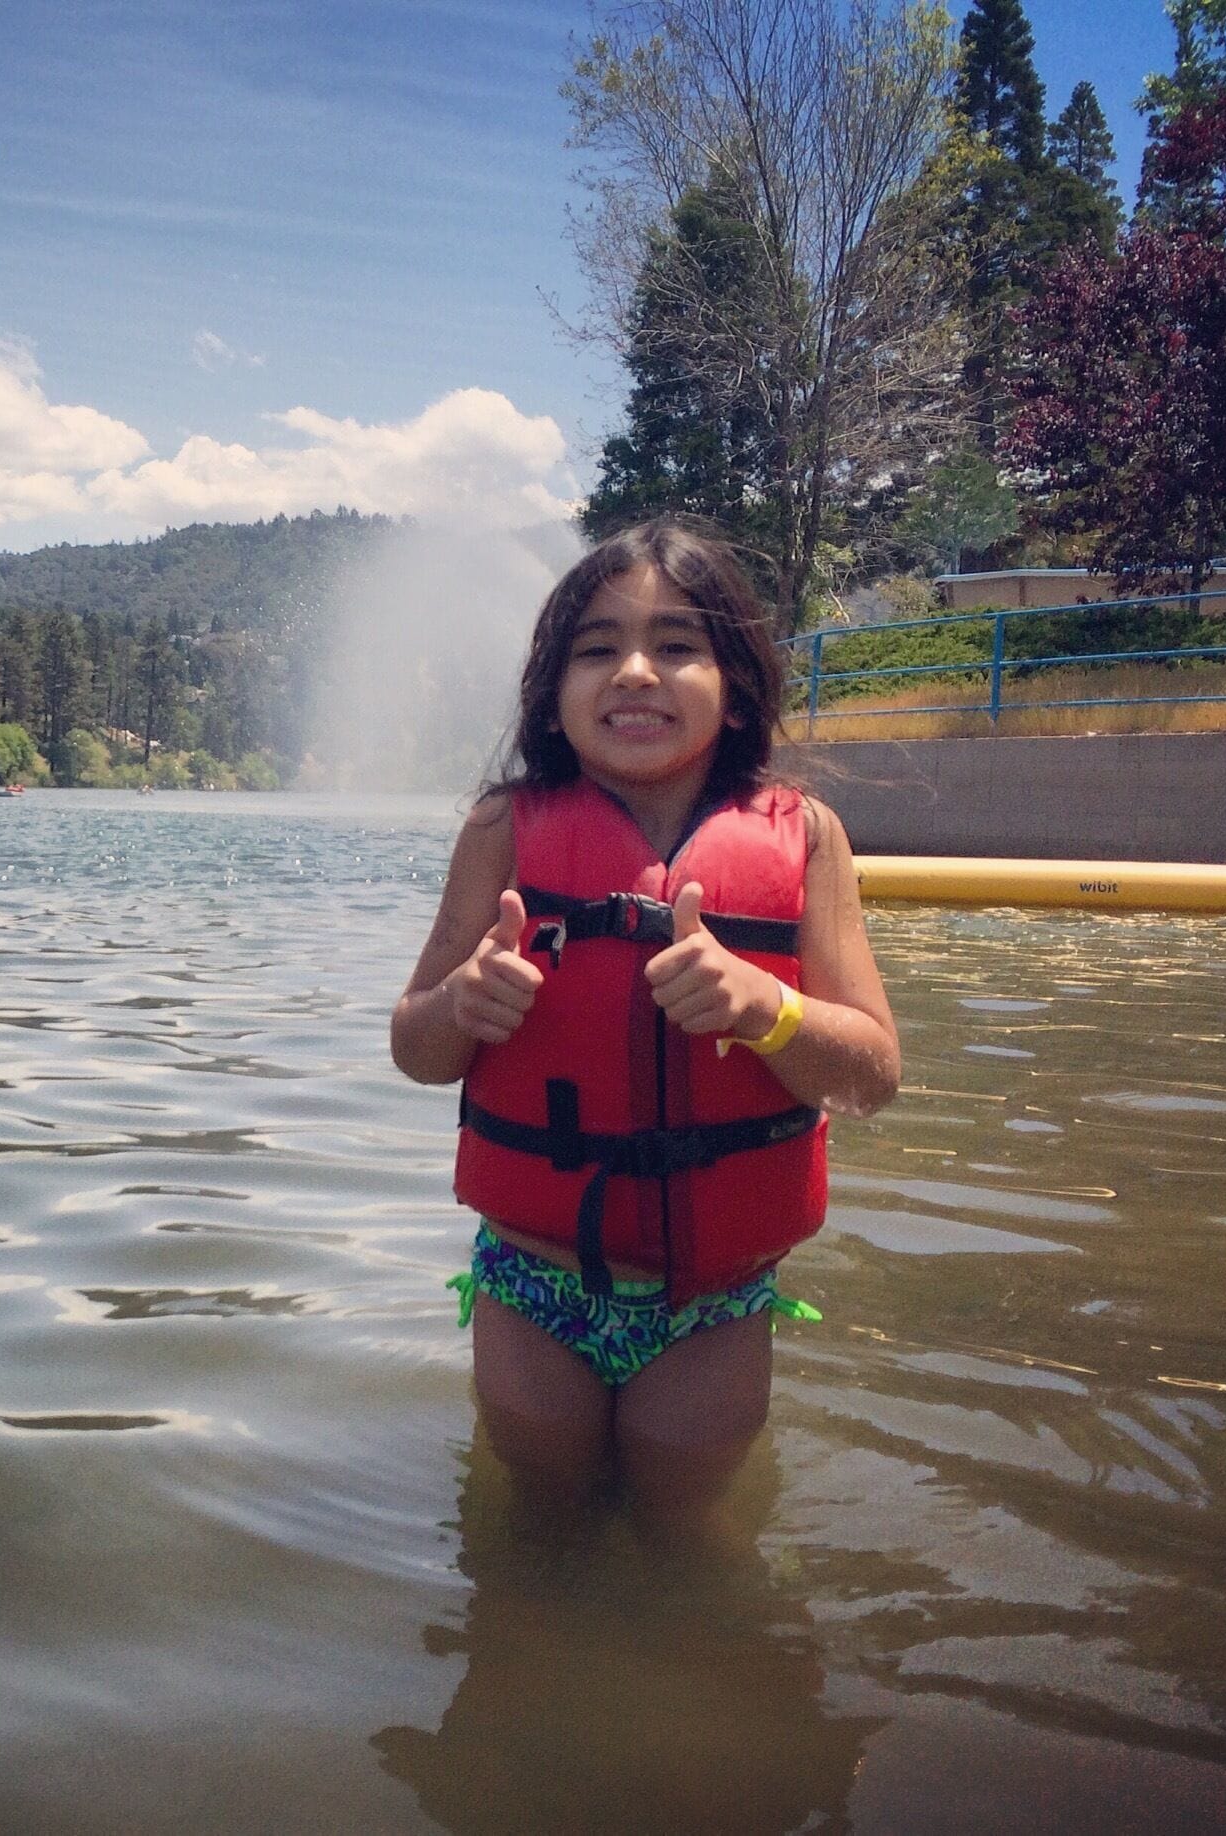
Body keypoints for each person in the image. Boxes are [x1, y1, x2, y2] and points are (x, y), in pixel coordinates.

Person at [391, 518, 899, 1542]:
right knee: (537, 1530)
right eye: (595, 649)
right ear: (552, 685)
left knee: (690, 1541)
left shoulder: (806, 837)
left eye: (676, 645)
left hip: (714, 1305)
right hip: (534, 1286)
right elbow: (415, 1048)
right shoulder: (502, 830)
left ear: (736, 677)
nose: (633, 671)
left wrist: (767, 1007)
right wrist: (462, 1005)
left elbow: (872, 1073)